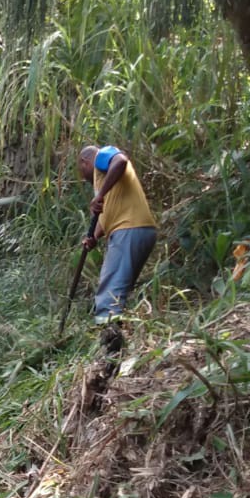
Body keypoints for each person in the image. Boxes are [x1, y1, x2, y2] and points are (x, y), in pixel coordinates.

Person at [77, 145, 157, 351]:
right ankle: (122, 343)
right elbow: (107, 216)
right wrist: (93, 238)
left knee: (109, 293)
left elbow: (120, 160)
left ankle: (110, 354)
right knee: (119, 291)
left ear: (84, 162)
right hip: (136, 229)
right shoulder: (104, 181)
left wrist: (100, 194)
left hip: (129, 229)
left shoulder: (102, 155)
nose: (82, 176)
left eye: (80, 170)